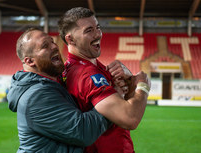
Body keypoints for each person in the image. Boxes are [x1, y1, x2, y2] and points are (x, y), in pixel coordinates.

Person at [58, 7, 151, 153]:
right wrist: (143, 85)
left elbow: (122, 101)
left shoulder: (89, 67)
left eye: (98, 27)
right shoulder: (86, 74)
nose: (98, 34)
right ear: (70, 39)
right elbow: (130, 118)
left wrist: (129, 83)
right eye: (89, 30)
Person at [7, 28, 113, 153]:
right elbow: (83, 131)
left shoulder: (54, 83)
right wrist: (113, 98)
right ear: (30, 61)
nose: (54, 46)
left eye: (52, 41)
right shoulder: (37, 95)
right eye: (45, 46)